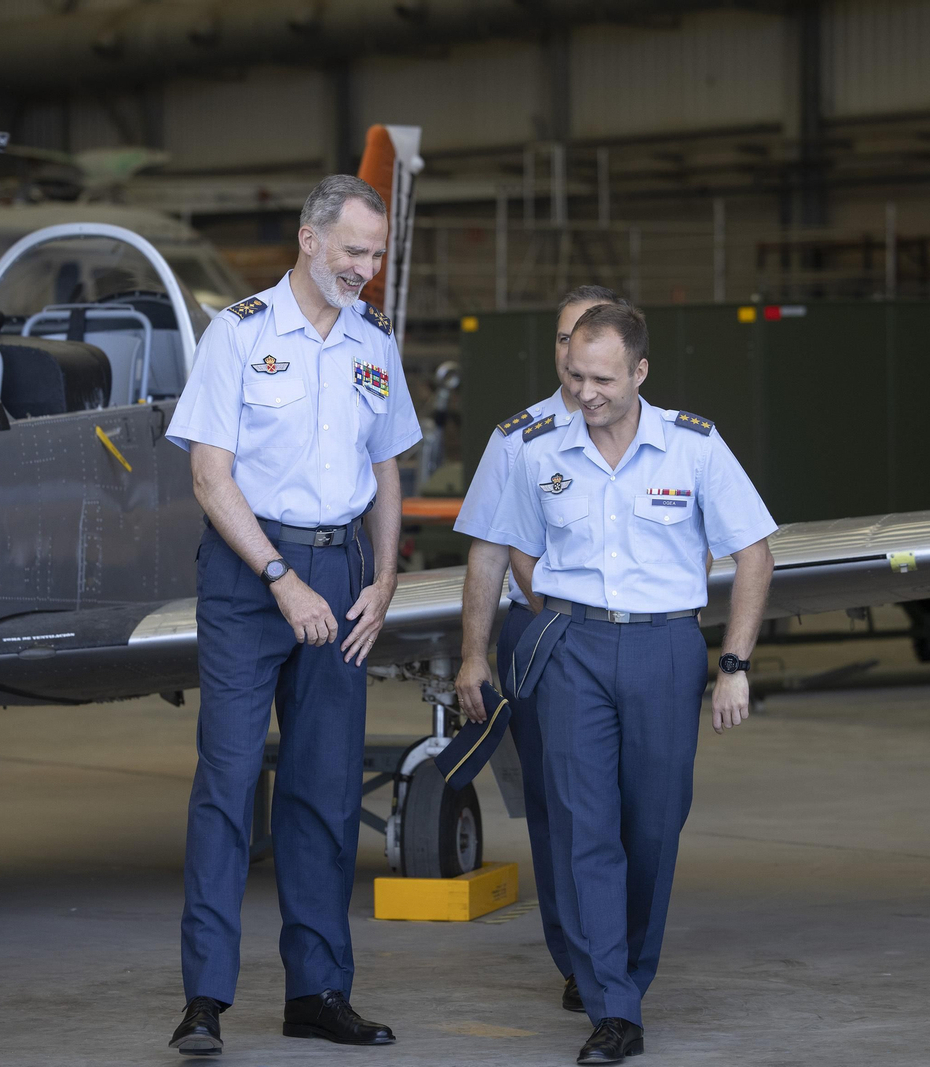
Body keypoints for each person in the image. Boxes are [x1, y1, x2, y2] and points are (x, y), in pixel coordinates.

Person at [164, 174, 421, 1056]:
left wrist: (384, 579)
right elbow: (209, 475)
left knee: (323, 792)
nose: (367, 268)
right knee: (229, 786)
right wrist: (278, 574)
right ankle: (206, 998)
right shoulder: (237, 334)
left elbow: (387, 466)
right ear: (308, 240)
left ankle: (318, 990)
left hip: (343, 572)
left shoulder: (373, 341)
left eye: (376, 254)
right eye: (354, 251)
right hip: (250, 576)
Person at [484, 303, 774, 1064]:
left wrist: (734, 664)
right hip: (573, 645)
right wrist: (553, 611)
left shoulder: (693, 448)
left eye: (604, 379)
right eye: (575, 375)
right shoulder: (538, 449)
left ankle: (626, 972)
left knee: (653, 824)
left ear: (640, 372)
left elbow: (755, 553)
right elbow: (514, 543)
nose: (586, 392)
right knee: (586, 827)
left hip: (665, 647)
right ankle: (613, 1002)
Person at [453, 284, 628, 1015]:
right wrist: (474, 653)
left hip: (632, 637)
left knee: (636, 806)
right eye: (562, 341)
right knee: (560, 808)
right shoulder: (516, 438)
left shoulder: (654, 431)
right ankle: (579, 960)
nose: (571, 357)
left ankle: (624, 947)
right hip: (546, 635)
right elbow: (486, 555)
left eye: (586, 342)